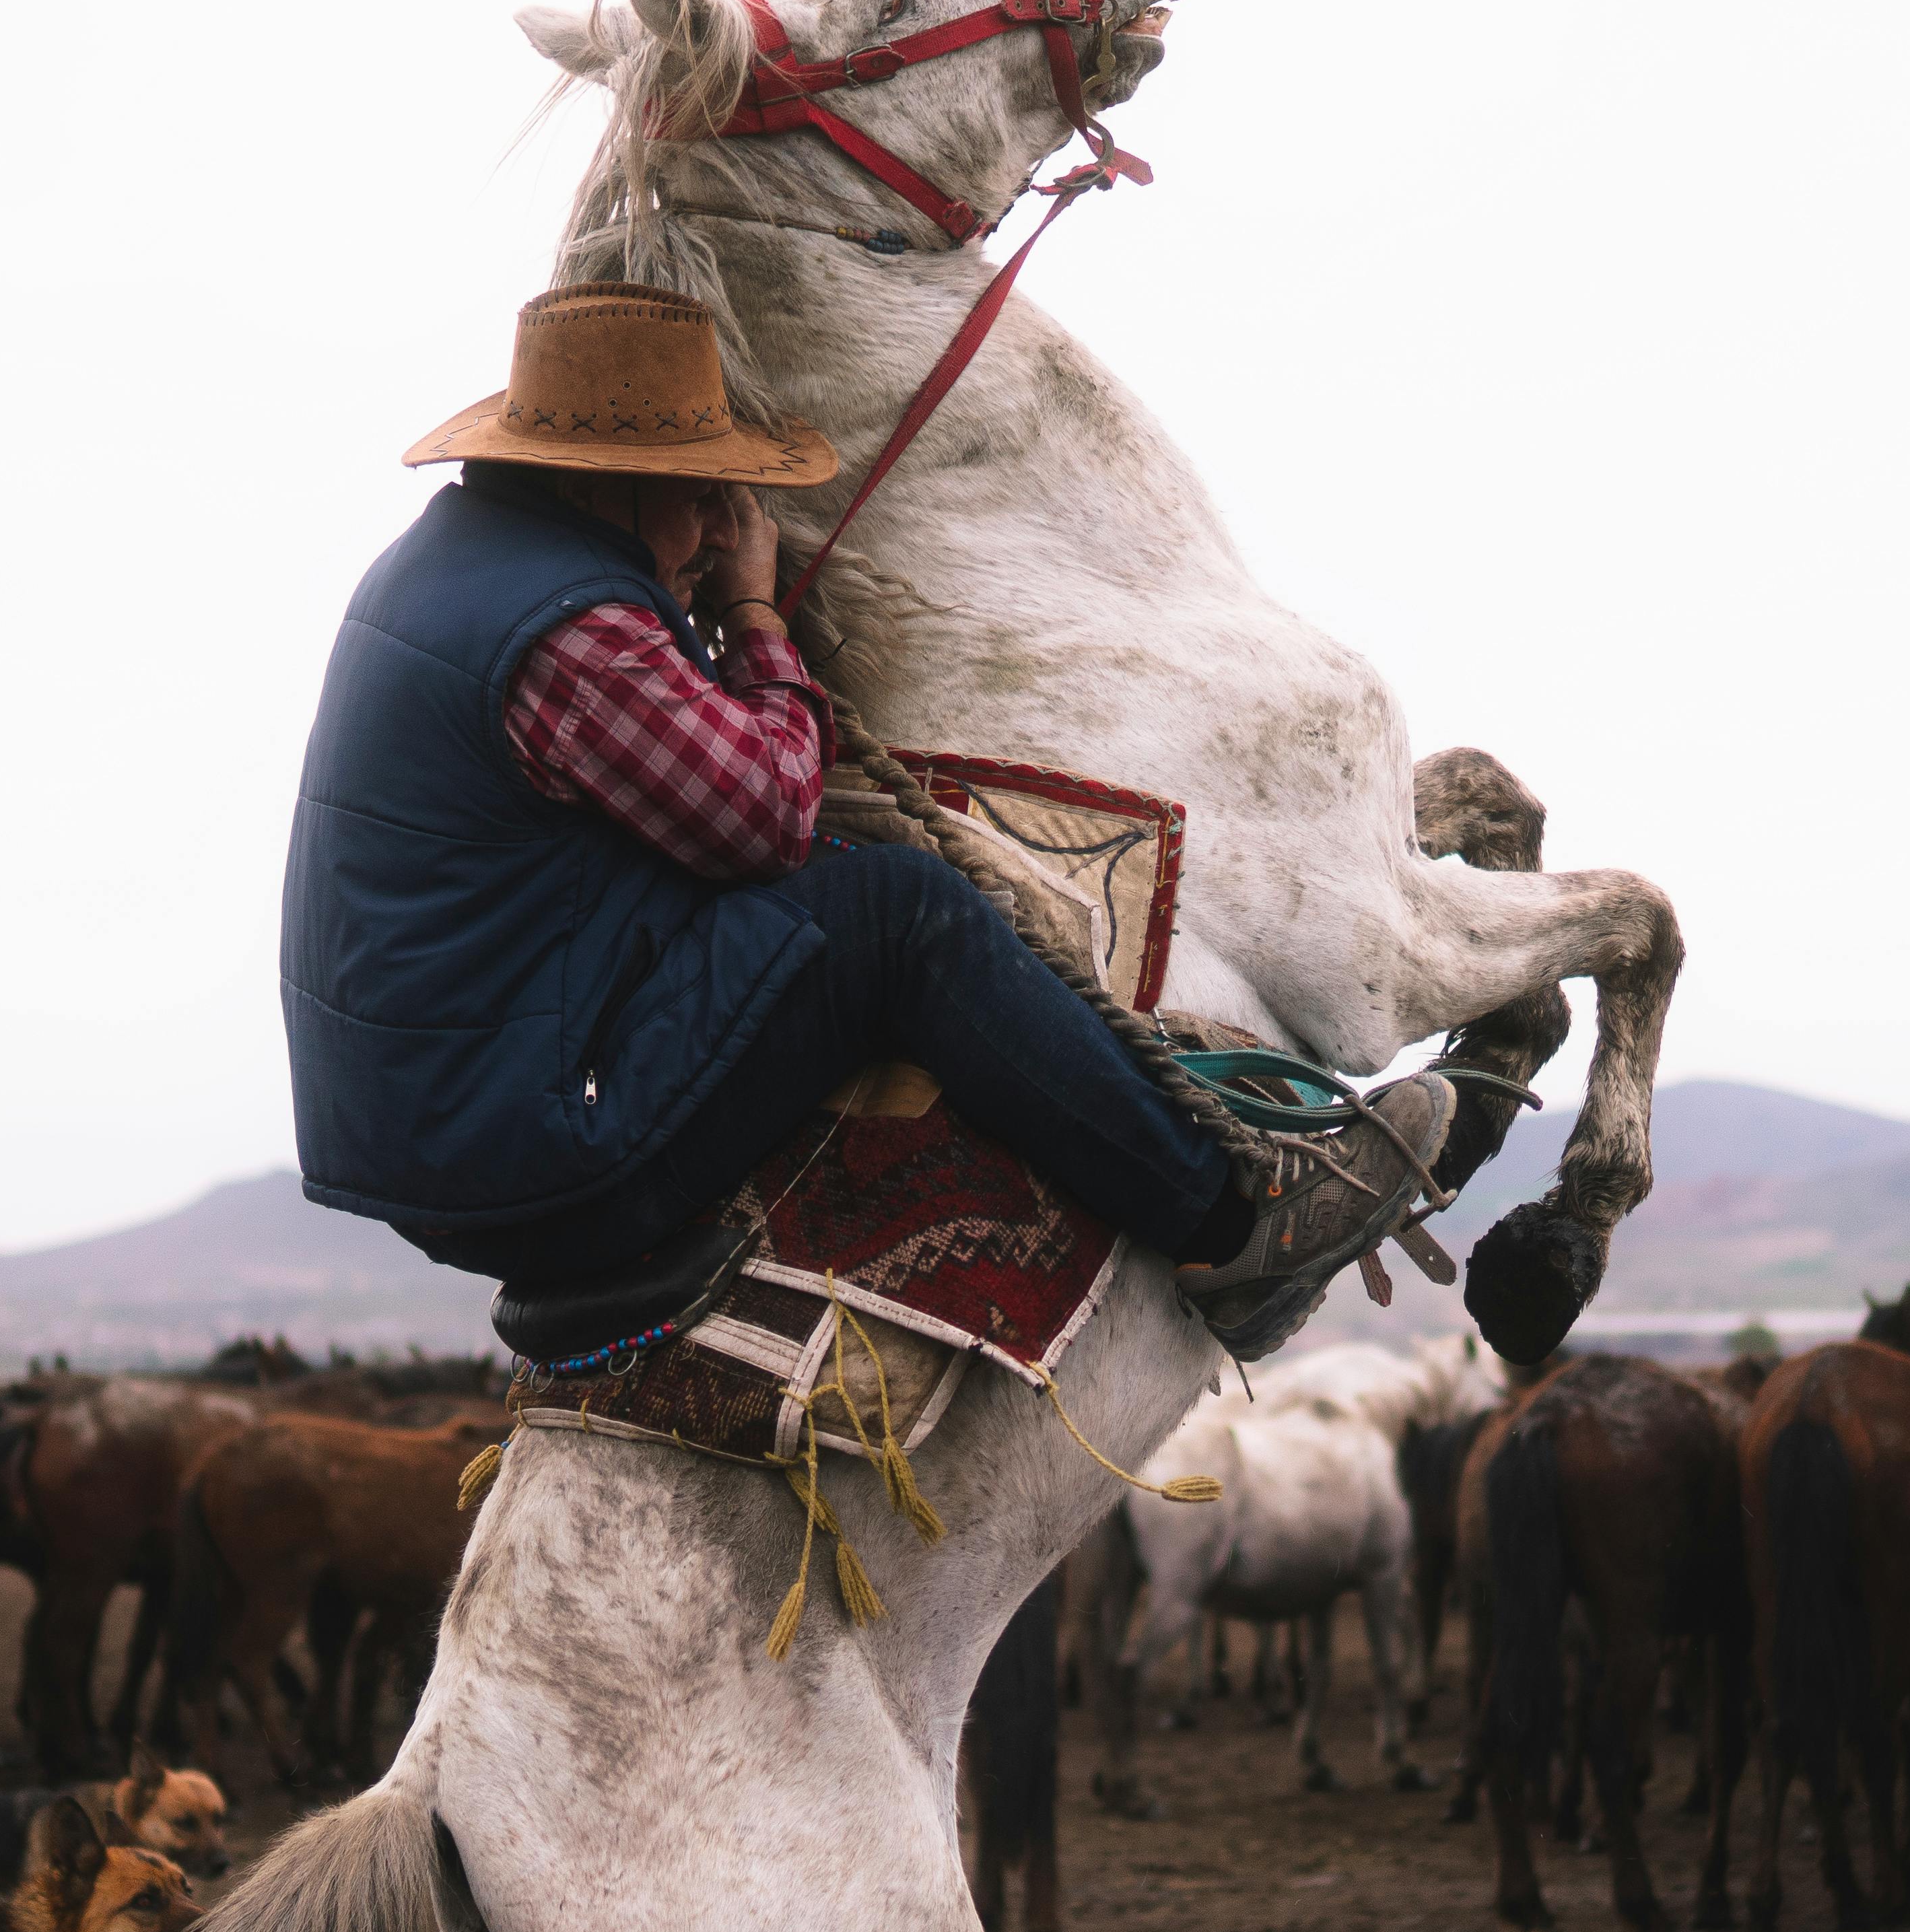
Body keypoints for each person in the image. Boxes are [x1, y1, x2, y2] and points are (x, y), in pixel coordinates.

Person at [279, 284, 1451, 1352]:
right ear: (601, 481)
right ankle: (1229, 1226)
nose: (708, 527)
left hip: (449, 1126)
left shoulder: (446, 569)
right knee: (898, 914)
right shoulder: (576, 637)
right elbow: (768, 817)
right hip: (538, 1150)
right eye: (696, 496)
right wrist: (753, 615)